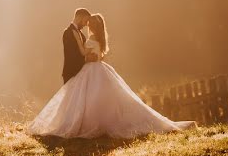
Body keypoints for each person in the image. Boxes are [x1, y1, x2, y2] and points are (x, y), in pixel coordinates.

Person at [28, 11, 197, 139]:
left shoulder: (92, 37)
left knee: (86, 98)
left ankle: (90, 124)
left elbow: (91, 56)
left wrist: (86, 53)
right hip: (97, 69)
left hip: (92, 69)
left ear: (93, 26)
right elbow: (97, 55)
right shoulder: (99, 37)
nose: (87, 25)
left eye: (89, 23)